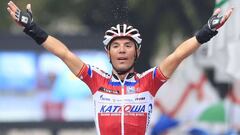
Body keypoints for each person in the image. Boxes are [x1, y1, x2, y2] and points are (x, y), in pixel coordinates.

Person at [7, 1, 233, 135]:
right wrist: (32, 29)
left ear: (137, 53)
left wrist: (207, 32)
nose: (122, 50)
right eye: (116, 46)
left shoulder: (148, 81)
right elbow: (64, 53)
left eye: (128, 45)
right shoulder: (97, 80)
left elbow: (178, 54)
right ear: (108, 53)